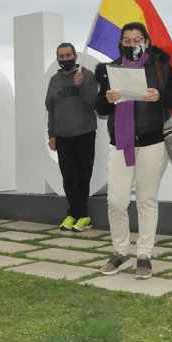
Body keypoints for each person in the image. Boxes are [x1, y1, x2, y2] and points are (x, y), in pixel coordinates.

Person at [94, 22, 172, 279]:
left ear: (146, 40)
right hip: (120, 144)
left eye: (137, 39)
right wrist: (107, 100)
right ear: (120, 43)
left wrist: (161, 95)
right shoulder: (109, 70)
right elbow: (100, 108)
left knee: (146, 201)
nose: (132, 44)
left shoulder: (161, 66)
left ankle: (144, 256)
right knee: (116, 201)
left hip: (152, 143)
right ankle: (120, 253)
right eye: (127, 39)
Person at [45, 42, 98, 232]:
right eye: (62, 56)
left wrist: (82, 84)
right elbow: (51, 109)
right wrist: (51, 134)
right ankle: (78, 215)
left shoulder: (87, 75)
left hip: (85, 135)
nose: (65, 59)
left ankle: (79, 215)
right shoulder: (54, 80)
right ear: (57, 58)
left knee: (83, 176)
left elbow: (94, 103)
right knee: (68, 177)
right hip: (62, 137)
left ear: (75, 57)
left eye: (69, 55)